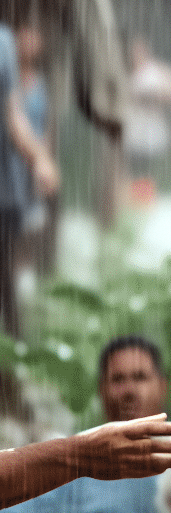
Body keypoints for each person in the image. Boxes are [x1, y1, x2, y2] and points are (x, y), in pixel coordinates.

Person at [1, 336, 171, 513]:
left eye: (140, 377)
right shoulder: (74, 464)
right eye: (118, 379)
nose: (129, 390)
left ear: (162, 386)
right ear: (102, 389)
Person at [1, 20, 58, 342]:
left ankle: (14, 355)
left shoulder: (3, 44)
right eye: (27, 35)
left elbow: (15, 116)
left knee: (19, 241)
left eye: (35, 36)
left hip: (12, 179)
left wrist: (41, 159)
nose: (30, 42)